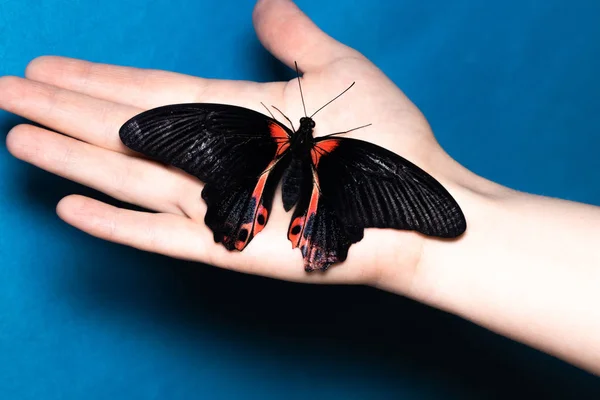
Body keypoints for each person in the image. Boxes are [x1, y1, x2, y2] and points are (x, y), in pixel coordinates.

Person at [1, 0, 599, 375]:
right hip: (299, 175)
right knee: (285, 195)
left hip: (274, 173)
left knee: (268, 193)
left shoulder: (269, 132)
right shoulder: (338, 148)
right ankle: (288, 223)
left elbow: (432, 208)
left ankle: (259, 216)